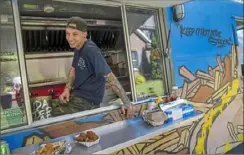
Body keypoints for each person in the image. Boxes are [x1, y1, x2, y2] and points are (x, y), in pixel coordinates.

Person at [52, 16, 134, 118]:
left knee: (51, 113)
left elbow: (110, 77)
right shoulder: (78, 48)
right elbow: (73, 69)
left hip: (88, 103)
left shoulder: (91, 50)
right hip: (77, 97)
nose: (70, 38)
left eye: (74, 34)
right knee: (49, 107)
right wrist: (67, 89)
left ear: (84, 34)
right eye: (67, 34)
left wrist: (127, 103)